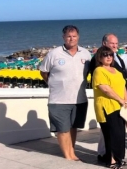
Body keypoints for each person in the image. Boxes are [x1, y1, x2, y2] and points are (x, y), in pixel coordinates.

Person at [39, 25, 91, 160]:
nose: (71, 39)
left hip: (79, 99)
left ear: (78, 37)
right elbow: (44, 72)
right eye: (68, 36)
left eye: (74, 36)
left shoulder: (86, 54)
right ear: (63, 37)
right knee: (63, 129)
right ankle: (68, 156)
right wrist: (52, 83)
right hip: (59, 100)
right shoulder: (54, 54)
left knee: (73, 127)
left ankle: (72, 152)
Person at [88, 34, 127, 157]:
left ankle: (111, 154)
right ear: (104, 44)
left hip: (120, 100)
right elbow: (103, 85)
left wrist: (125, 98)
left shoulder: (117, 57)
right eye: (112, 43)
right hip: (108, 102)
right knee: (108, 132)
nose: (115, 46)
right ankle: (105, 154)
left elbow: (122, 78)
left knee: (115, 132)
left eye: (116, 43)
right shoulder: (97, 63)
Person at [92, 46, 127, 169]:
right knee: (110, 134)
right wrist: (120, 100)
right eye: (105, 55)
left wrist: (126, 100)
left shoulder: (116, 71)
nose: (108, 57)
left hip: (119, 106)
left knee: (119, 134)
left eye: (110, 55)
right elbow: (105, 89)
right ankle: (111, 160)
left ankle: (119, 157)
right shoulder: (99, 70)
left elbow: (123, 86)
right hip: (106, 106)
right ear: (100, 57)